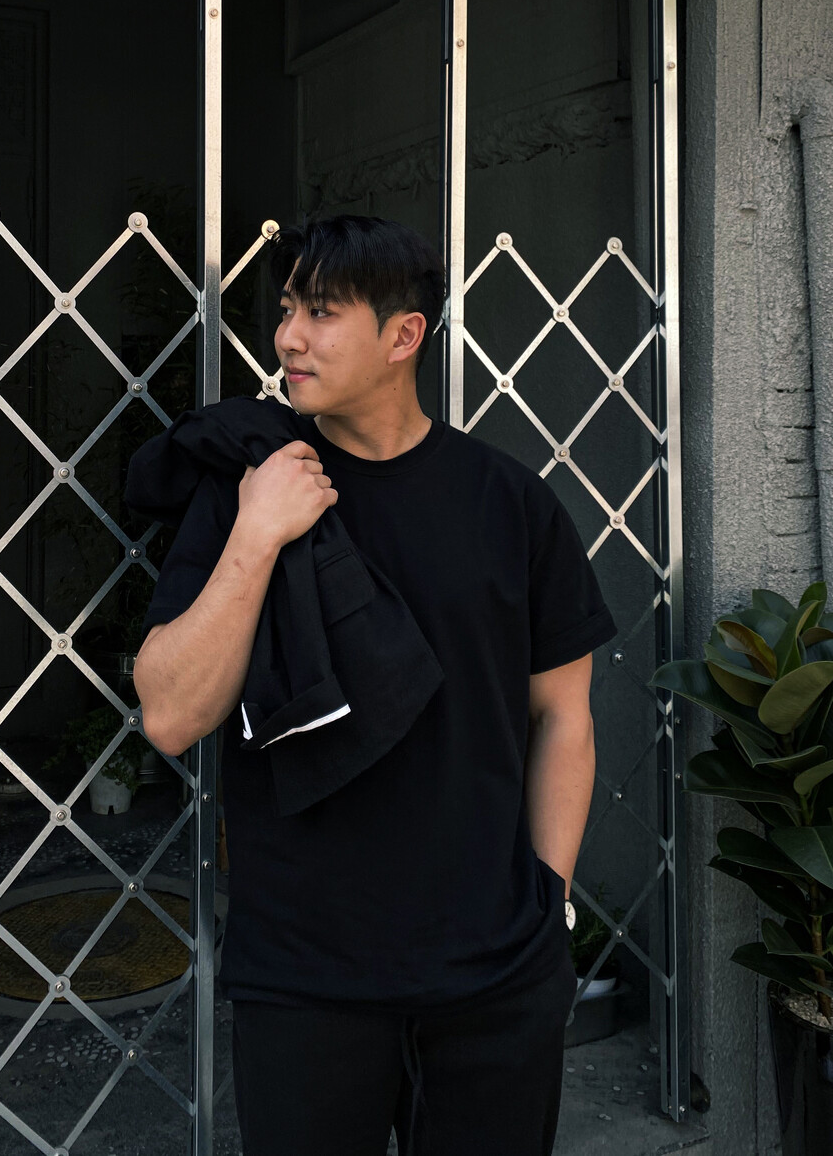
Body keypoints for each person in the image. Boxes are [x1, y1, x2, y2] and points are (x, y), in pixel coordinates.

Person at [132, 215, 616, 1156]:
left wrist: (549, 908)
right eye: (286, 310)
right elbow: (171, 715)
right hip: (305, 978)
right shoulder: (247, 486)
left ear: (404, 336)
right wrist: (257, 534)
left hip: (494, 975)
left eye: (321, 312)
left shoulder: (511, 503)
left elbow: (563, 715)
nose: (287, 338)